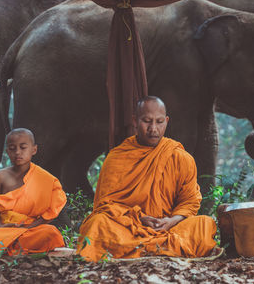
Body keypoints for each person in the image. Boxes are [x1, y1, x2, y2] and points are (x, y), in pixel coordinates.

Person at [77, 96, 217, 261]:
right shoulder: (117, 157)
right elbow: (105, 204)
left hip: (168, 228)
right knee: (97, 223)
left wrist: (172, 220)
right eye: (147, 121)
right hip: (129, 227)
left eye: (159, 122)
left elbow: (190, 201)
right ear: (135, 121)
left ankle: (138, 249)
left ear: (166, 121)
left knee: (204, 224)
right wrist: (140, 218)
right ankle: (160, 248)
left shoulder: (180, 157)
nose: (153, 129)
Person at [0, 128, 67, 259]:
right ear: (7, 151)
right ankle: (14, 249)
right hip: (4, 230)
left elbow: (50, 214)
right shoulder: (1, 176)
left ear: (34, 150)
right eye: (12, 148)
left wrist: (29, 227)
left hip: (30, 230)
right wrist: (1, 227)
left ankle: (5, 249)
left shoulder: (44, 178)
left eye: (23, 147)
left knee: (50, 232)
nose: (18, 152)